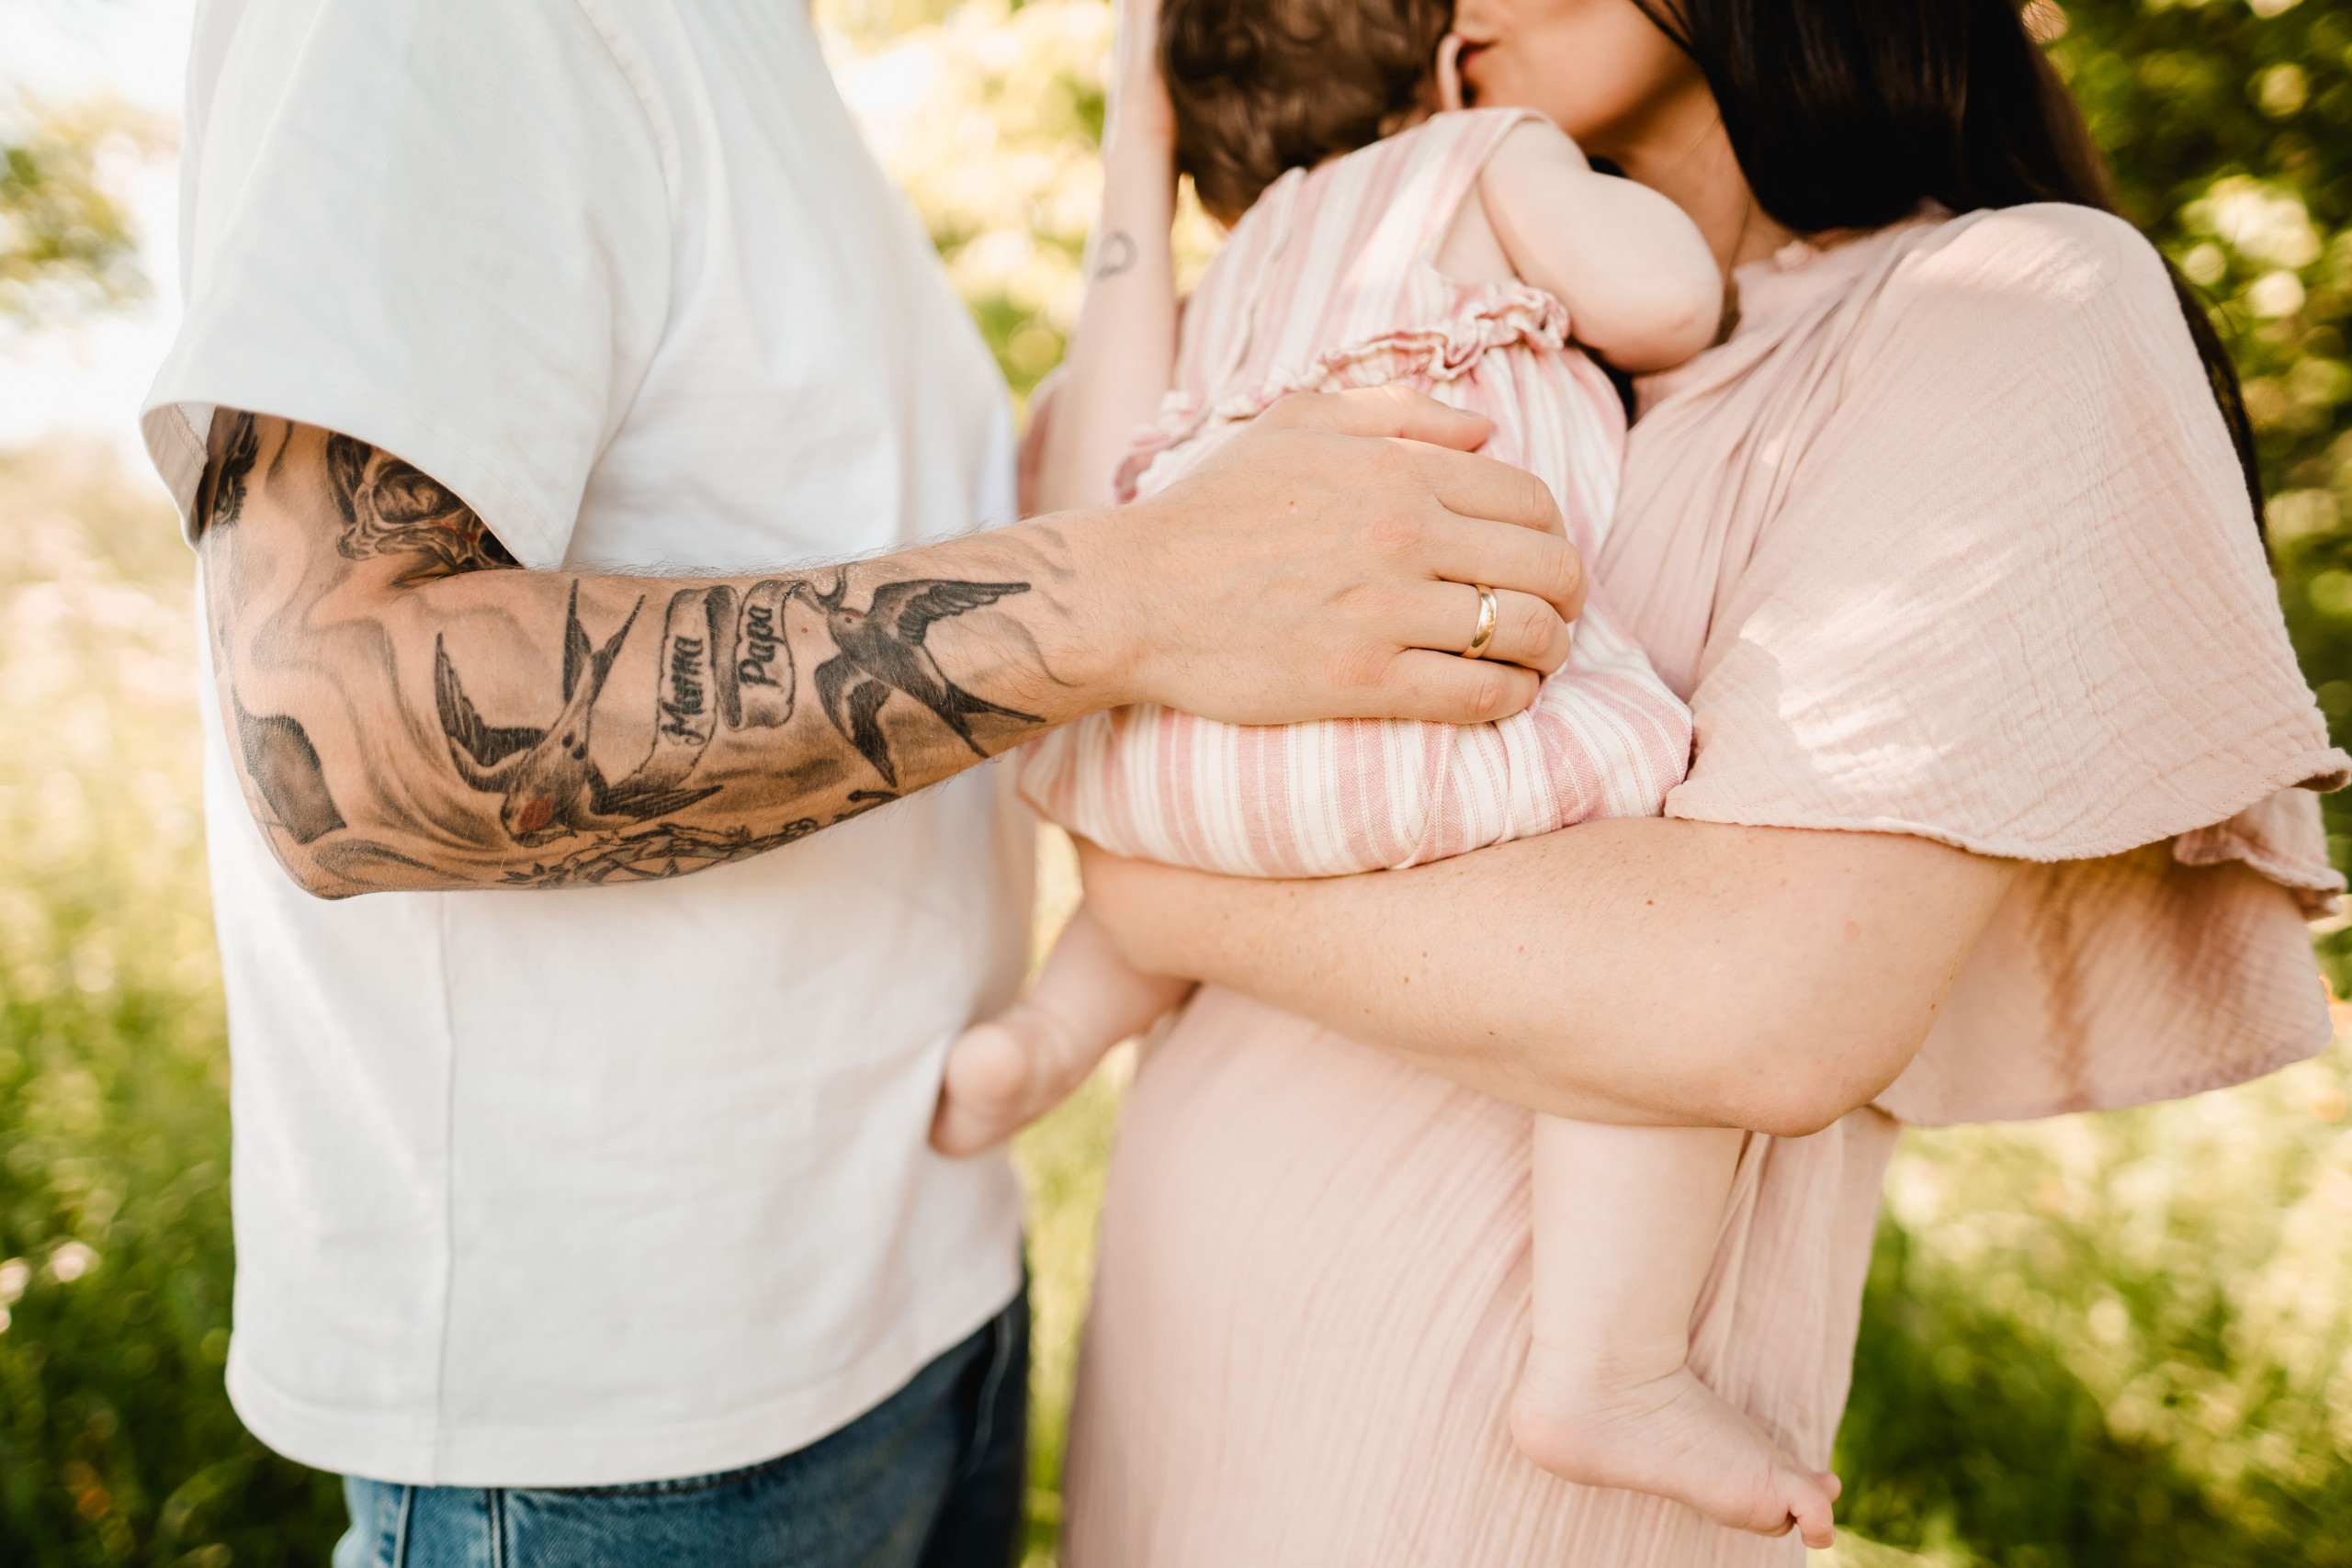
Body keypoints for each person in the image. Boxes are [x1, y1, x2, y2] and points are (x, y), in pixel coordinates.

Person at [136, 2, 1591, 1563]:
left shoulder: (764, 49)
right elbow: (341, 727)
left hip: (924, 1295)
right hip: (624, 1439)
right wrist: (1141, 593)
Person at [1052, 0, 2350, 1562]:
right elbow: (1084, 585)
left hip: (1476, 1482)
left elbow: (1757, 1005)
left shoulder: (2010, 305)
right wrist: (1141, 156)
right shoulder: (1417, 277)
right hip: (1179, 1348)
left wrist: (1155, 886)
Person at [929, 0, 1839, 1540]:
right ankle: (1606, 1364)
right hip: (1414, 716)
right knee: (1645, 842)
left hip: (1182, 761)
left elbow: (1092, 476)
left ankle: (1045, 1035)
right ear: (1440, 61)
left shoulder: (1245, 271)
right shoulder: (1487, 157)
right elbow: (1669, 301)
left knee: (1232, 821)